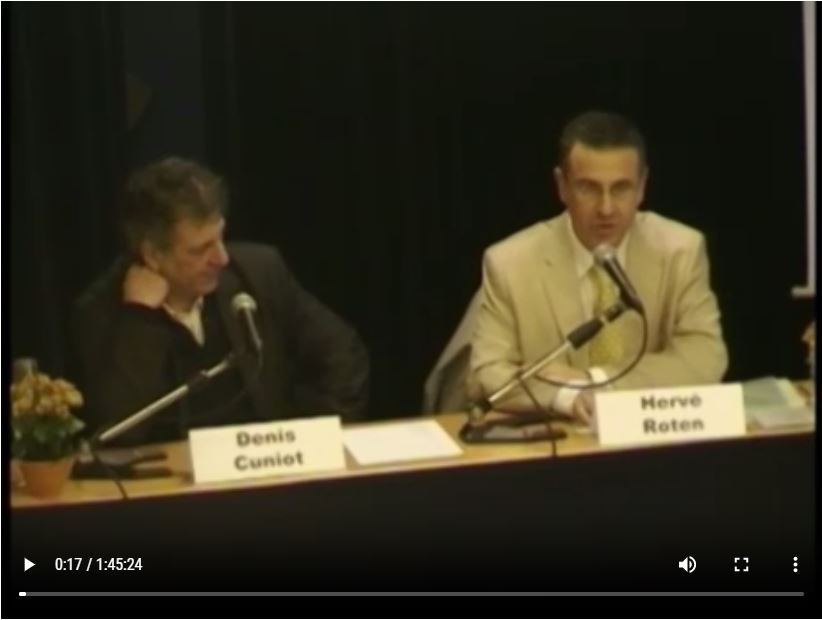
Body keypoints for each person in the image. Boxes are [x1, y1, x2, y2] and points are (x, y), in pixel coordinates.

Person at [72, 157, 369, 445]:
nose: (222, 258)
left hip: (268, 465)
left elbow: (344, 356)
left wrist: (314, 442)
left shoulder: (259, 273)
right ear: (152, 255)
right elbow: (119, 432)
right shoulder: (103, 311)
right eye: (200, 249)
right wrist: (141, 320)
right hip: (174, 476)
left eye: (220, 238)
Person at [468, 110, 728, 425]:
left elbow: (705, 356)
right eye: (588, 188)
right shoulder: (510, 263)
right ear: (561, 186)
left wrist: (596, 381)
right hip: (558, 446)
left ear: (642, 186)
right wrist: (567, 397)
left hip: (653, 438)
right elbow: (486, 373)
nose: (606, 208)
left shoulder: (681, 250)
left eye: (621, 188)